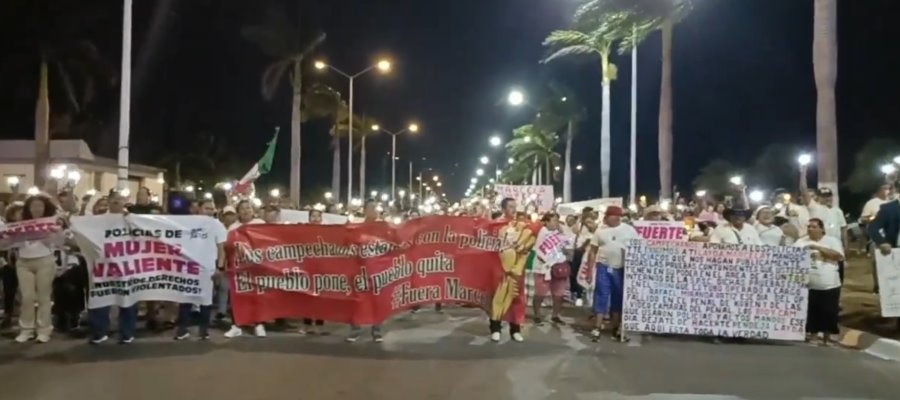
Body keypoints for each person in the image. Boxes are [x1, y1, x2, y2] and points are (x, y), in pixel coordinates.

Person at [89, 190, 138, 344]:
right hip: (104, 265)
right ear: (109, 201)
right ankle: (99, 332)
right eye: (114, 199)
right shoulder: (99, 219)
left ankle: (127, 332)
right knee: (101, 297)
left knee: (127, 299)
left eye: (121, 199)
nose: (117, 202)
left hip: (127, 265)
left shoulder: (133, 219)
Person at [175, 199, 227, 341]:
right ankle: (182, 330)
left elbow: (222, 248)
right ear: (199, 209)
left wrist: (220, 267)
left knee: (206, 300)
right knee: (185, 298)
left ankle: (204, 331)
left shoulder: (217, 225)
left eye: (212, 208)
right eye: (206, 208)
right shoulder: (188, 222)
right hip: (188, 267)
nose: (209, 211)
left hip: (207, 268)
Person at [587, 205, 640, 341]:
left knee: (618, 297)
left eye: (617, 216)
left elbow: (637, 249)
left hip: (622, 269)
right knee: (601, 295)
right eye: (612, 216)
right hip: (604, 267)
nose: (615, 218)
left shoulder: (629, 230)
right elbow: (592, 251)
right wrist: (589, 270)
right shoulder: (600, 231)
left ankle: (615, 328)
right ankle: (597, 327)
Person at [13, 194, 61, 343]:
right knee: (27, 297)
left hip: (44, 260)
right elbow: (11, 241)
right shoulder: (20, 223)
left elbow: (59, 241)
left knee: (43, 297)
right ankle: (26, 329)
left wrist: (49, 234)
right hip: (23, 262)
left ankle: (44, 329)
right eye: (33, 206)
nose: (37, 209)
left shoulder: (51, 223)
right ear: (28, 208)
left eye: (40, 206)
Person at [794, 218, 844, 346]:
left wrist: (817, 247)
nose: (810, 229)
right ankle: (813, 335)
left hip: (830, 283)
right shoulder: (801, 242)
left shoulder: (832, 241)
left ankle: (828, 337)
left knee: (829, 311)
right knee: (812, 311)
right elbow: (791, 257)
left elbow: (838, 256)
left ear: (822, 229)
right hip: (809, 284)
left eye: (814, 227)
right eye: (809, 227)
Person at [489, 197, 531, 342]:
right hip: (500, 268)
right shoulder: (495, 226)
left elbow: (528, 243)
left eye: (515, 206)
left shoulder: (521, 226)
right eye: (511, 206)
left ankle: (515, 329)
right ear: (503, 209)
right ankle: (495, 328)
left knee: (516, 298)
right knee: (498, 297)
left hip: (517, 268)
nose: (514, 209)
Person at [224, 200, 266, 338]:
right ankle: (236, 325)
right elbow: (228, 248)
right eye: (242, 208)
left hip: (257, 267)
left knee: (256, 296)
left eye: (248, 208)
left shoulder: (260, 224)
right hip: (238, 267)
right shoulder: (233, 228)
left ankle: (258, 324)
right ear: (238, 212)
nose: (246, 211)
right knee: (237, 297)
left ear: (253, 210)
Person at [347, 199, 386, 343]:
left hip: (378, 271)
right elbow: (349, 244)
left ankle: (377, 330)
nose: (373, 210)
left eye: (375, 208)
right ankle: (355, 330)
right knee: (357, 300)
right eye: (370, 208)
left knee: (377, 301)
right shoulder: (356, 227)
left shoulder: (384, 228)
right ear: (364, 210)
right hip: (359, 270)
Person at [531, 213, 570, 325]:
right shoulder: (541, 232)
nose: (555, 223)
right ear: (546, 222)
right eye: (553, 221)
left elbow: (566, 246)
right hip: (543, 268)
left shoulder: (559, 233)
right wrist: (548, 262)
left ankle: (555, 315)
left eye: (557, 221)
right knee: (540, 294)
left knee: (559, 294)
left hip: (558, 267)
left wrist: (562, 233)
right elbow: (539, 251)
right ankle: (537, 314)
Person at [299, 209, 326, 335]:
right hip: (307, 269)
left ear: (321, 219)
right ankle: (306, 324)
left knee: (321, 298)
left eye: (318, 216)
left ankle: (319, 325)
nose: (315, 219)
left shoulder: (327, 232)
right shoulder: (304, 232)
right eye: (313, 216)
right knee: (306, 297)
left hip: (321, 269)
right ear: (309, 218)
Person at [1, 203, 24, 328]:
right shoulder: (5, 228)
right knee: (9, 290)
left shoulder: (29, 227)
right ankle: (8, 314)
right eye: (18, 212)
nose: (20, 215)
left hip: (25, 260)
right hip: (9, 262)